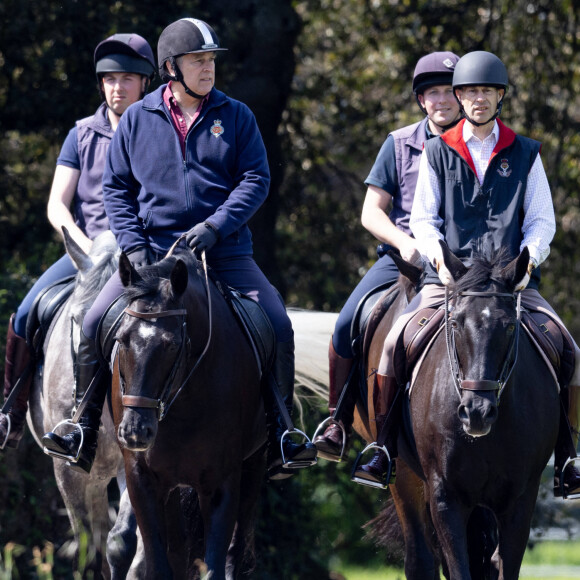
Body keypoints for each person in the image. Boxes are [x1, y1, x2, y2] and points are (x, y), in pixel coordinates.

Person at [42, 17, 317, 479]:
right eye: (198, 61)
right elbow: (116, 189)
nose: (208, 69)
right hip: (151, 258)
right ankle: (82, 426)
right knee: (91, 322)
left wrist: (215, 227)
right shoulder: (136, 119)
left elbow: (256, 180)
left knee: (277, 322)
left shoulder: (237, 115)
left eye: (211, 60)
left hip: (224, 255)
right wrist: (135, 248)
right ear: (172, 67)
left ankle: (282, 432)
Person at [366, 50, 580, 496]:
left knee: (567, 346)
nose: (477, 99)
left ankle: (568, 456)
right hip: (449, 279)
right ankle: (383, 447)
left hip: (509, 284)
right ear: (460, 98)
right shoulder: (437, 151)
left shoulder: (525, 152)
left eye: (486, 91)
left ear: (500, 96)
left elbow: (542, 219)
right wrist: (440, 260)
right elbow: (423, 218)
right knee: (391, 345)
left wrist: (529, 261)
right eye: (469, 92)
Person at [0, 33, 156, 451]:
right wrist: (84, 246)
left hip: (141, 255)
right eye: (109, 79)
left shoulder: (159, 133)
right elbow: (57, 205)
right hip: (88, 252)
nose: (116, 87)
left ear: (145, 82)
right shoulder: (81, 135)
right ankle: (11, 414)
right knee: (28, 310)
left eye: (126, 78)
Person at [313, 52, 462, 465]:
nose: (442, 100)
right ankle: (337, 422)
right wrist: (403, 242)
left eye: (450, 91)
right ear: (421, 100)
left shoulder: (478, 144)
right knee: (347, 321)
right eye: (433, 92)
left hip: (463, 263)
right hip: (405, 257)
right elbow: (370, 211)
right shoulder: (398, 144)